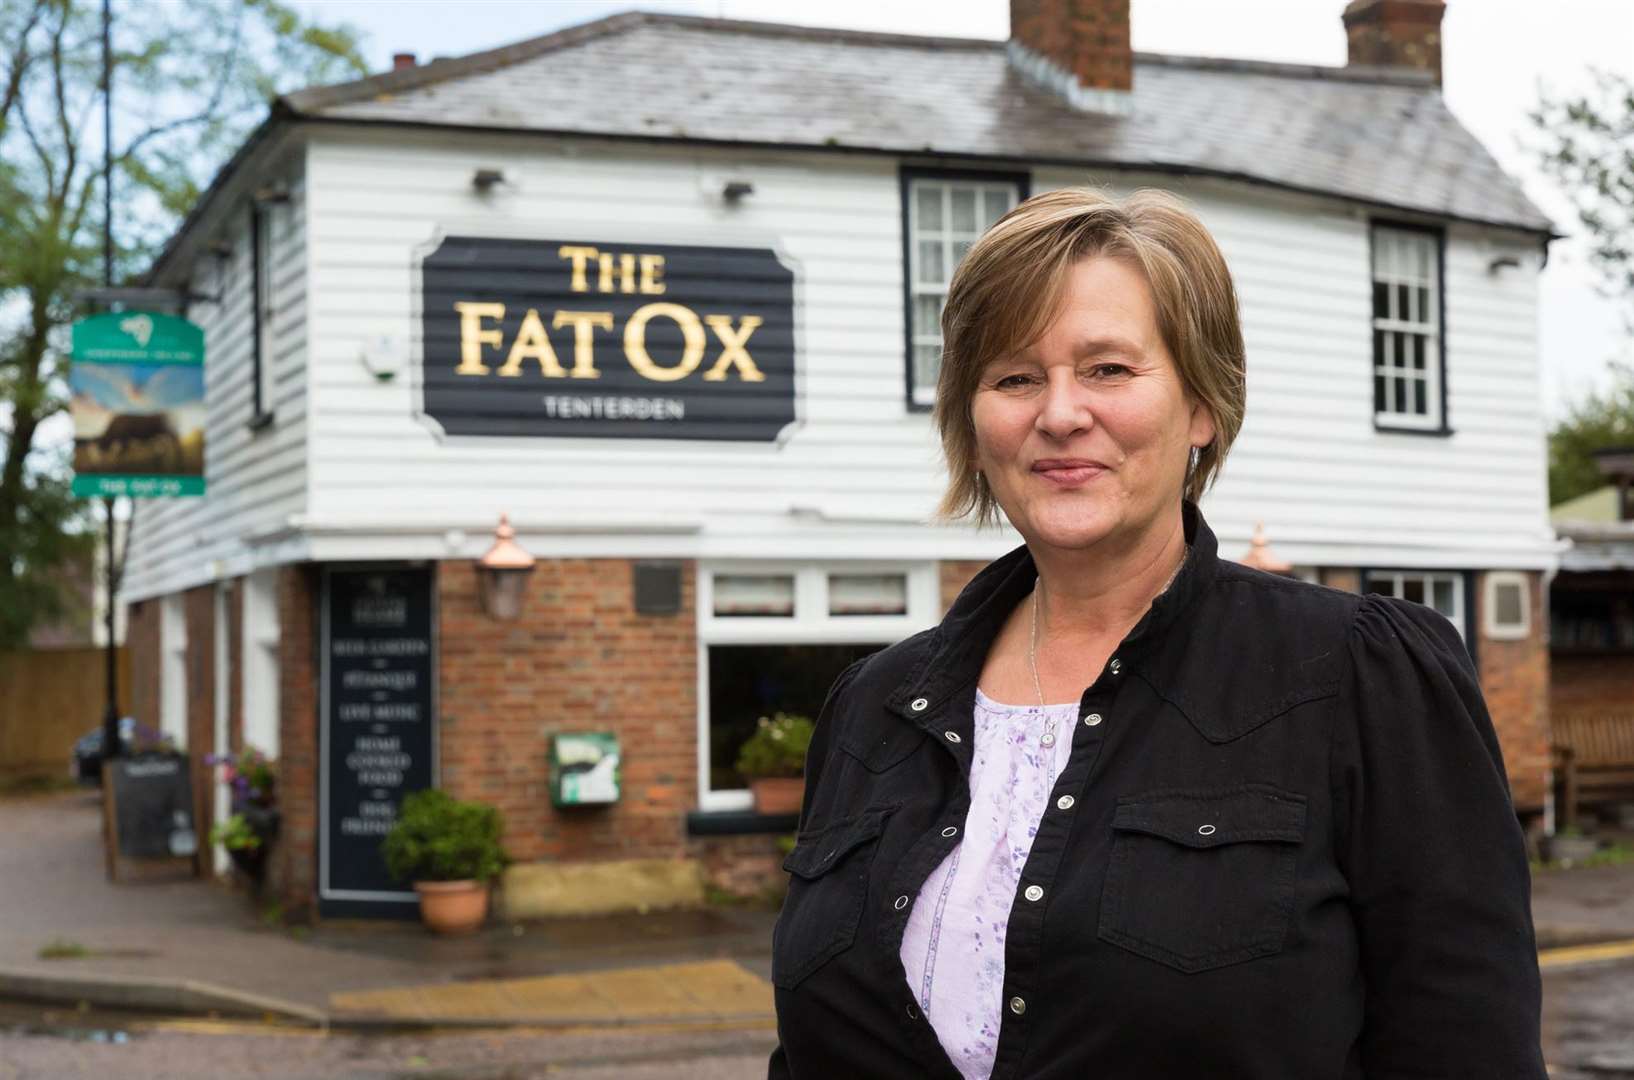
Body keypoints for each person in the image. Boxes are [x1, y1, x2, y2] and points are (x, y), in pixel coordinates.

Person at [767, 187, 1545, 1079]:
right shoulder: (876, 707)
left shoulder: (1361, 676)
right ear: (974, 425)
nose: (1058, 413)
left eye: (1107, 369)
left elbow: (1465, 1049)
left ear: (1203, 407)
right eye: (1015, 377)